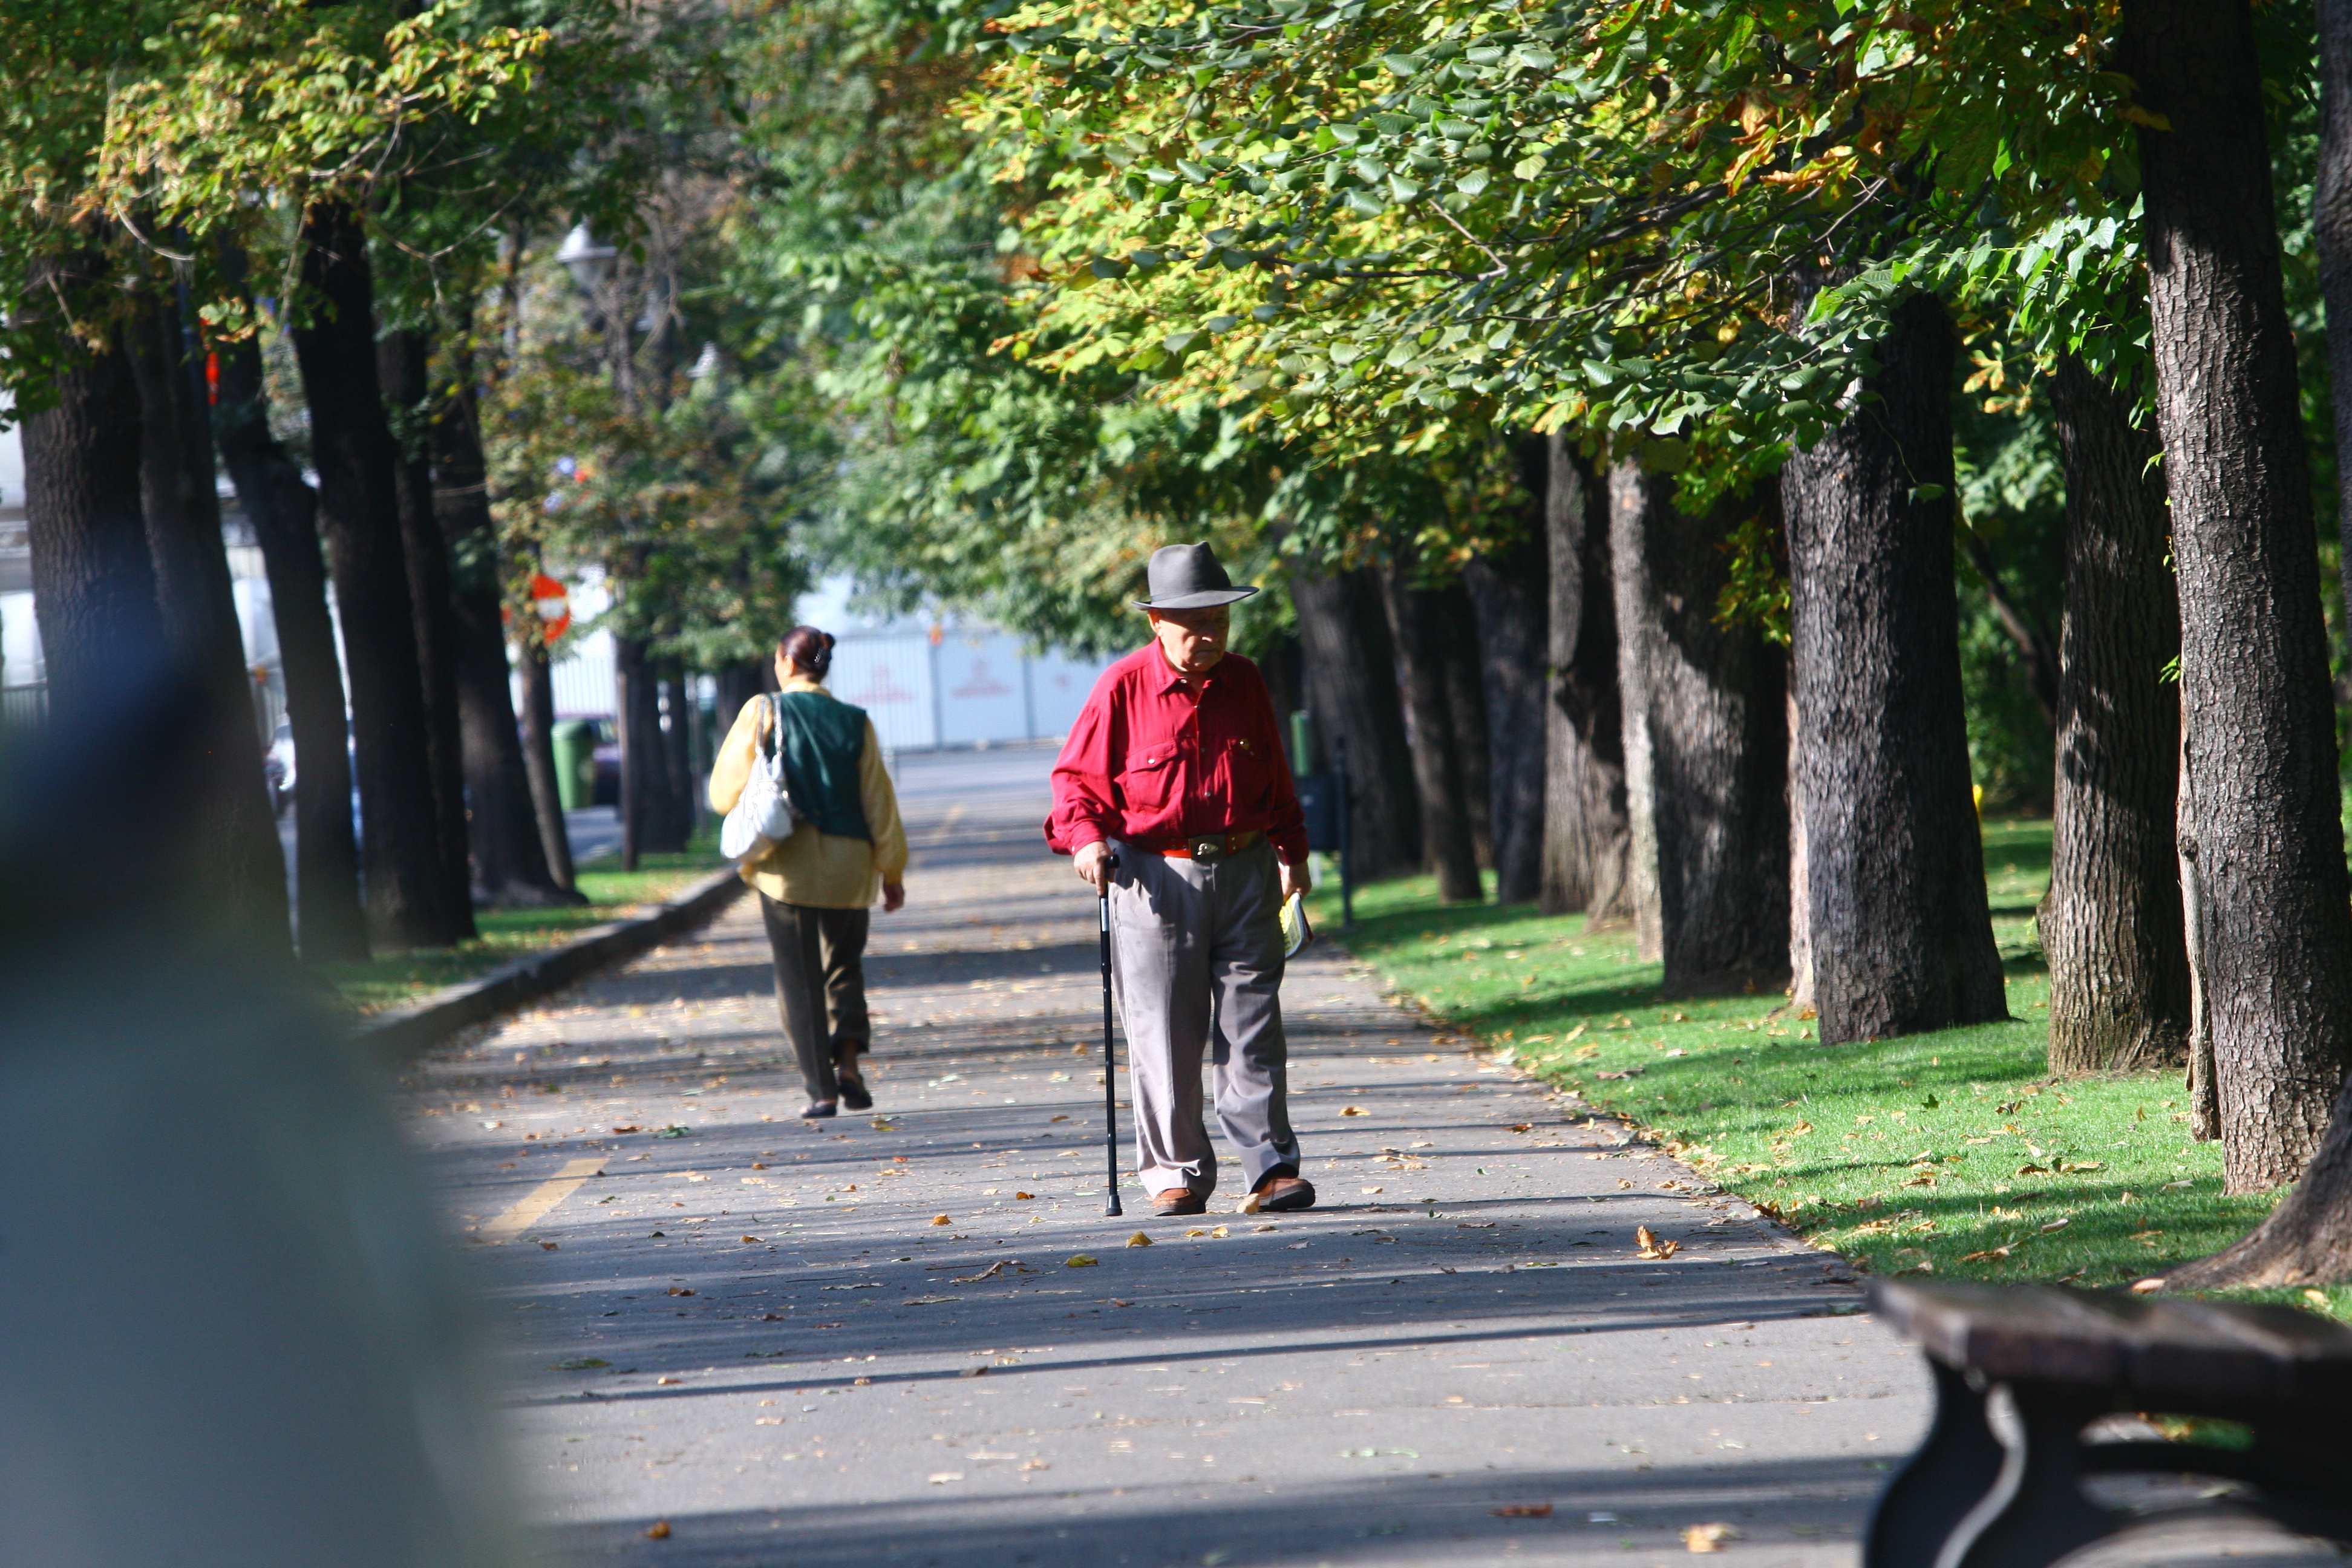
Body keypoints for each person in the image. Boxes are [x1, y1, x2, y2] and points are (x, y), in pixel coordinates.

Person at [1045, 542, 1316, 1217]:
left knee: (1253, 1026)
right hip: (1155, 877)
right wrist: (1085, 842)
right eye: (1194, 621)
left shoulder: (1247, 681)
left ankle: (1271, 1168)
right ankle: (1177, 1172)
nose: (1210, 634)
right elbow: (1074, 783)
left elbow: (1276, 777)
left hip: (1247, 870)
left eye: (1220, 618)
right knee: (1165, 1032)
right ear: (1156, 622)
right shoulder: (1122, 687)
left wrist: (1294, 853)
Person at [710, 627, 907, 1119]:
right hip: (851, 868)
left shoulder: (764, 711)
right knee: (845, 968)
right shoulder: (855, 721)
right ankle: (850, 1064)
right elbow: (878, 801)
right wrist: (892, 870)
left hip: (785, 870)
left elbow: (721, 794)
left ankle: (821, 1089)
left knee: (798, 978)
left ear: (783, 661)